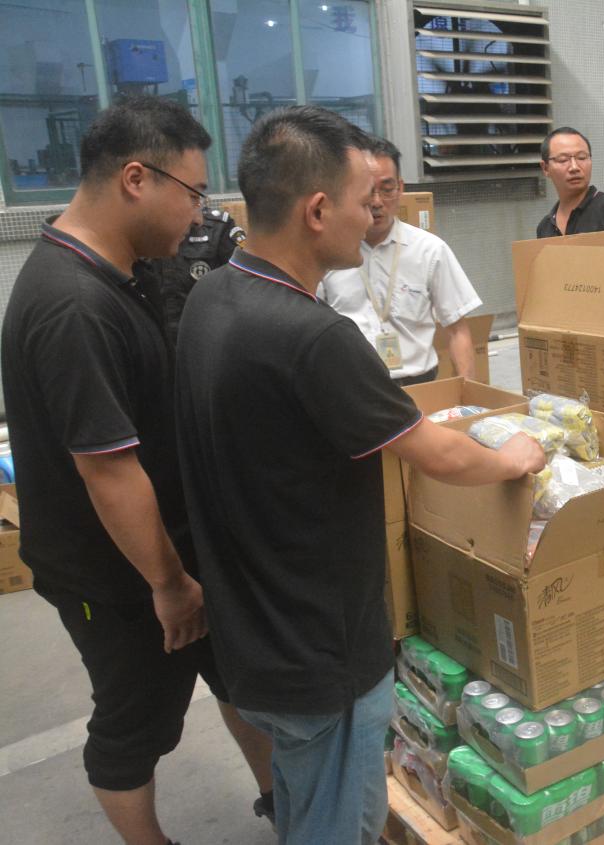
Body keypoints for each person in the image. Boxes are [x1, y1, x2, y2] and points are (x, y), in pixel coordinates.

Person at [174, 106, 545, 845]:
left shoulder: (213, 294)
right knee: (341, 821)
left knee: (308, 795)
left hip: (252, 630)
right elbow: (436, 453)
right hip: (320, 650)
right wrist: (514, 457)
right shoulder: (313, 336)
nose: (374, 213)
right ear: (317, 210)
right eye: (363, 200)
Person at [0, 96, 274, 845]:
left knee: (237, 679)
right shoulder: (73, 305)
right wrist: (169, 583)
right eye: (192, 193)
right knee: (135, 718)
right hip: (114, 575)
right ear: (134, 179)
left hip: (170, 549)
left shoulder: (123, 271)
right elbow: (108, 471)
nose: (199, 214)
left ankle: (278, 799)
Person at [319, 137, 482, 386]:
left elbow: (458, 330)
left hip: (419, 384)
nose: (377, 202)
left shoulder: (430, 250)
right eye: (368, 190)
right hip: (352, 386)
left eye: (387, 189)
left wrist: (468, 392)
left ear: (401, 188)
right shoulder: (328, 253)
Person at [155, 206, 245, 344]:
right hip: (155, 339)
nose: (198, 220)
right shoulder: (142, 228)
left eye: (195, 197)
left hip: (206, 338)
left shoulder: (218, 227)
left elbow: (243, 287)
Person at [536, 127, 604, 238]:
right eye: (563, 159)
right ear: (545, 168)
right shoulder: (545, 227)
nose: (574, 167)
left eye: (581, 157)